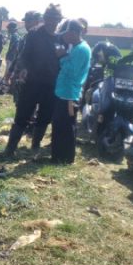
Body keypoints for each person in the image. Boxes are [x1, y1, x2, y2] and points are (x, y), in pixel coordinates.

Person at [2, 4, 63, 158]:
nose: (52, 22)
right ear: (45, 18)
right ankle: (10, 148)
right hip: (32, 83)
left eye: (55, 19)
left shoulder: (60, 38)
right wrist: (23, 69)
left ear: (59, 20)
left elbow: (64, 61)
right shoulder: (34, 35)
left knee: (44, 117)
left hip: (51, 85)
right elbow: (23, 56)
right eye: (49, 18)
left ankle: (35, 145)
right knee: (22, 116)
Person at [49, 19, 90, 164]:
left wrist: (62, 56)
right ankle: (57, 156)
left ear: (73, 32)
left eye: (65, 33)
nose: (63, 37)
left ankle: (66, 159)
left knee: (66, 126)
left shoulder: (81, 50)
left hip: (69, 96)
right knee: (59, 125)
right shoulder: (75, 47)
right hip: (64, 92)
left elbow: (72, 72)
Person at [6, 11, 42, 107]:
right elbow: (18, 56)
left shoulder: (42, 40)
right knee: (20, 103)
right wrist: (11, 71)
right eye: (26, 21)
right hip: (20, 76)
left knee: (31, 104)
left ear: (37, 22)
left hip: (33, 78)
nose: (27, 24)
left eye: (29, 21)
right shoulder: (24, 38)